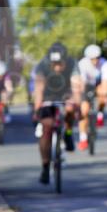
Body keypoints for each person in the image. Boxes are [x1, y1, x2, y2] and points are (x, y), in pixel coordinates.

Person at [33, 42, 82, 184]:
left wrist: (77, 104)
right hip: (48, 95)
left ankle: (68, 133)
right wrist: (37, 109)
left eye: (60, 64)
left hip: (65, 92)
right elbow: (39, 89)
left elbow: (76, 86)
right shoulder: (42, 65)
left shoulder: (72, 64)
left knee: (70, 110)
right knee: (47, 126)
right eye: (54, 64)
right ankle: (45, 166)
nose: (57, 68)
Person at [78, 44, 107, 151]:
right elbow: (82, 83)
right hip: (86, 85)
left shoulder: (105, 64)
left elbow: (105, 82)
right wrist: (82, 98)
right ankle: (83, 138)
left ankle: (100, 114)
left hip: (98, 84)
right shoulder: (82, 64)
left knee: (103, 95)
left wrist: (105, 95)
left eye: (97, 58)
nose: (95, 61)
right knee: (83, 111)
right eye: (92, 59)